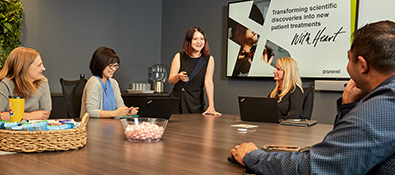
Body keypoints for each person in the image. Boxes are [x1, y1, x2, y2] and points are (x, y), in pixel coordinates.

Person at [231, 20, 395, 174]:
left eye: (348, 58)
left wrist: (253, 155)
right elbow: (344, 151)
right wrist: (348, 108)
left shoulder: (384, 106)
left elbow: (318, 167)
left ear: (362, 65)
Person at [168, 26, 221, 116]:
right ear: (189, 41)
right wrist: (178, 76)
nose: (199, 42)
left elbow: (208, 82)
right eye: (195, 39)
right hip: (177, 101)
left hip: (196, 102)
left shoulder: (209, 59)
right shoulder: (179, 56)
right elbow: (170, 81)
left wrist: (211, 105)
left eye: (202, 39)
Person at [80, 46, 138, 118]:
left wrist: (127, 111)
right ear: (100, 65)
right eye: (111, 66)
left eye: (116, 66)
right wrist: (116, 113)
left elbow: (120, 105)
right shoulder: (94, 82)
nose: (113, 69)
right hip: (95, 126)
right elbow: (91, 112)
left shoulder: (113, 83)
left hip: (111, 124)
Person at [0, 47, 51, 121]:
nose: (43, 68)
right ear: (25, 67)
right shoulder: (5, 84)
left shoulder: (43, 82)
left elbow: (45, 115)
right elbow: (0, 116)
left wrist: (11, 115)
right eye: (39, 65)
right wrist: (30, 116)